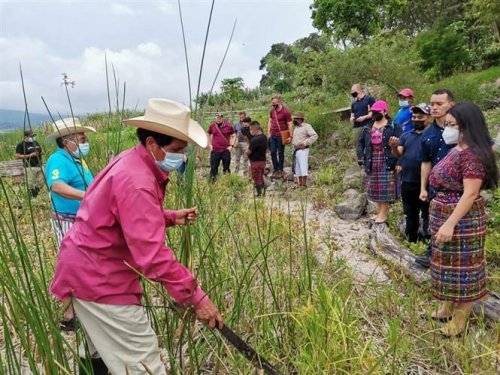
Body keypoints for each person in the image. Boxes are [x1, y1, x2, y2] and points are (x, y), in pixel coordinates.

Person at [50, 99, 223, 374]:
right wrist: (196, 297)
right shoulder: (137, 179)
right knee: (143, 364)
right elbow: (153, 256)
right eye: (178, 149)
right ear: (153, 143)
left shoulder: (130, 159)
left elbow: (115, 213)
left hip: (85, 267)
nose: (183, 155)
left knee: (97, 353)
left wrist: (166, 216)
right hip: (100, 278)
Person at [426, 102, 498, 336]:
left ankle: (459, 320)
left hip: (462, 221)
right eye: (447, 124)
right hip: (446, 214)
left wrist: (450, 223)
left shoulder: (472, 155)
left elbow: (470, 193)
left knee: (464, 269)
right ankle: (446, 307)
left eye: (452, 125)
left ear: (468, 126)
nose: (448, 129)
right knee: (446, 265)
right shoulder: (458, 148)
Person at [45, 117, 96, 331]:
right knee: (71, 266)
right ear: (68, 141)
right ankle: (68, 316)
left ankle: (85, 308)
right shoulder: (58, 160)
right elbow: (56, 186)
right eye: (82, 138)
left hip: (84, 220)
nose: (85, 142)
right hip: (68, 222)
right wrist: (87, 195)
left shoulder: (77, 160)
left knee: (87, 265)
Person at [415, 89, 455, 268]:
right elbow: (425, 162)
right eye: (432, 104)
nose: (434, 107)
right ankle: (433, 253)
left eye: (439, 104)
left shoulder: (459, 128)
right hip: (435, 187)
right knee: (435, 221)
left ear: (451, 105)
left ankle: (452, 259)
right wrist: (423, 187)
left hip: (459, 187)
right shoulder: (427, 134)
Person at [390, 103, 432, 242]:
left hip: (427, 182)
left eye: (420, 117)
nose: (416, 119)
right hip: (407, 181)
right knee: (410, 213)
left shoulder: (434, 135)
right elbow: (398, 153)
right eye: (414, 117)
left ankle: (428, 241)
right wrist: (394, 147)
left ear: (428, 117)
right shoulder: (406, 135)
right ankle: (411, 239)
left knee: (428, 213)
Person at [356, 100, 401, 225]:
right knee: (375, 187)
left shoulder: (394, 126)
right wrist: (361, 156)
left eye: (377, 112)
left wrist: (399, 162)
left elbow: (401, 145)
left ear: (385, 112)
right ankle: (379, 211)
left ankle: (383, 214)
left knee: (385, 188)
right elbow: (360, 143)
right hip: (372, 159)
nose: (375, 114)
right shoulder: (367, 127)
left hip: (386, 159)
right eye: (373, 112)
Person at [267, 95, 293, 178]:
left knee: (281, 152)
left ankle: (281, 169)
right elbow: (270, 121)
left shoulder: (285, 112)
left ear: (279, 102)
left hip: (281, 135)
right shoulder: (272, 111)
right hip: (273, 134)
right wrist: (268, 133)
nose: (273, 105)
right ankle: (275, 169)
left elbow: (289, 124)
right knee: (273, 152)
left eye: (274, 103)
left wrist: (291, 136)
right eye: (272, 103)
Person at [291, 111, 318, 189]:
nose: (294, 120)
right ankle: (300, 184)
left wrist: (305, 143)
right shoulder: (296, 128)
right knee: (297, 167)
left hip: (303, 149)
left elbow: (314, 135)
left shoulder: (307, 126)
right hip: (296, 149)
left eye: (295, 119)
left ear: (300, 119)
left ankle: (304, 184)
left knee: (303, 166)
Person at [15, 129, 44, 197]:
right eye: (31, 136)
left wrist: (39, 153)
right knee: (30, 184)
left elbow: (42, 151)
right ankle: (32, 197)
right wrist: (30, 155)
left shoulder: (36, 142)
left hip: (39, 165)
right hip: (29, 166)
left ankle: (37, 195)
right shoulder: (21, 144)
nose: (32, 137)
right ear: (25, 136)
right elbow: (17, 156)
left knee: (41, 183)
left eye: (33, 136)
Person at [207, 112, 236, 181]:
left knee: (226, 168)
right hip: (215, 150)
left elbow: (234, 135)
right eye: (217, 117)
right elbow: (208, 133)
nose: (219, 119)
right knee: (213, 168)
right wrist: (209, 144)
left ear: (222, 118)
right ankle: (213, 183)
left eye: (220, 117)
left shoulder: (228, 126)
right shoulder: (213, 126)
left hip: (225, 150)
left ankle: (227, 182)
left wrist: (231, 145)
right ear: (215, 118)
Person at [246, 121, 268, 196]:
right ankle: (263, 192)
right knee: (261, 176)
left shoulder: (254, 140)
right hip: (263, 161)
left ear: (255, 129)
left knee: (256, 178)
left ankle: (259, 194)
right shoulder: (264, 137)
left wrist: (246, 151)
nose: (251, 131)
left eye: (251, 129)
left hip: (255, 161)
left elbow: (248, 151)